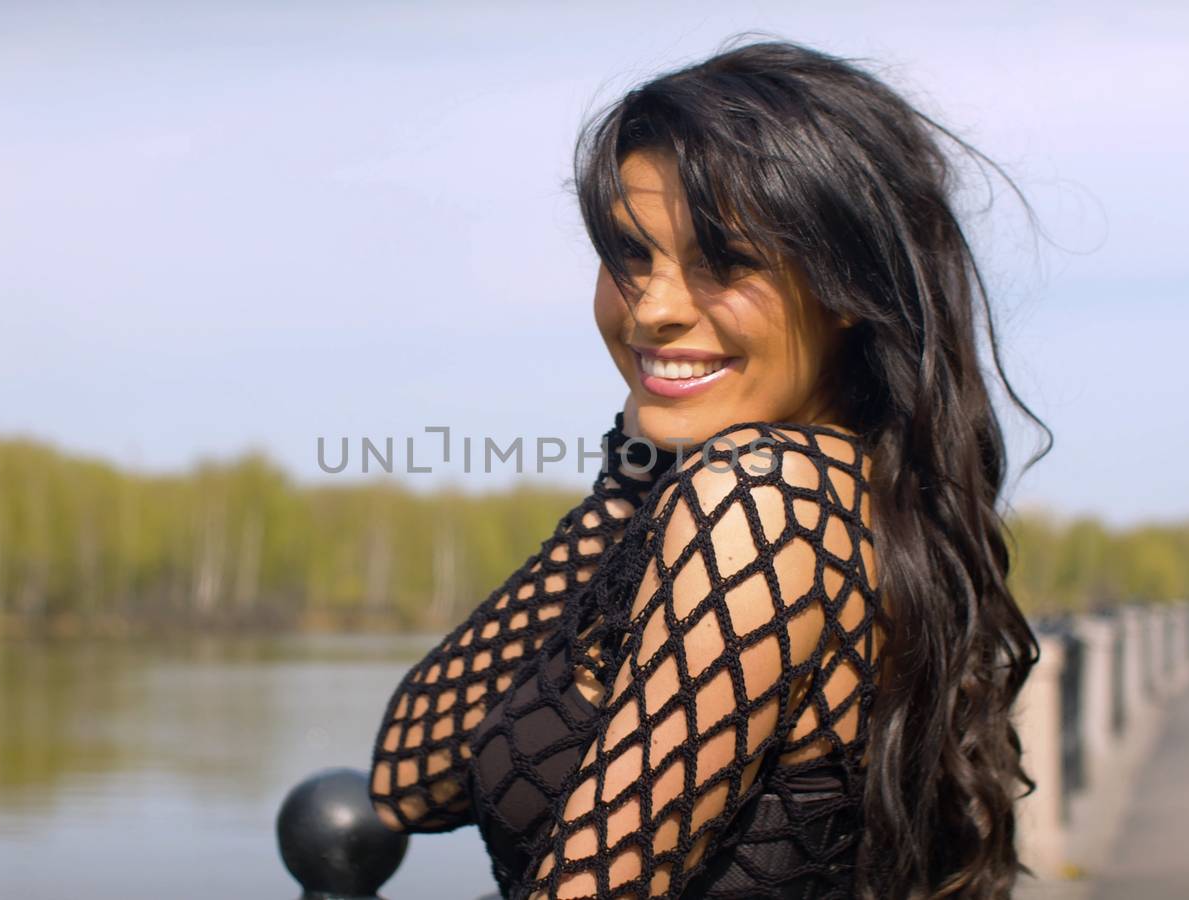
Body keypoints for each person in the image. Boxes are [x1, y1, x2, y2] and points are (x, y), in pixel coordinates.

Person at [368, 37, 1045, 899]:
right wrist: (632, 472)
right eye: (629, 255)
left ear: (844, 288)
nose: (652, 309)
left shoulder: (763, 500)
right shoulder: (848, 494)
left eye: (723, 265)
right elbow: (405, 778)